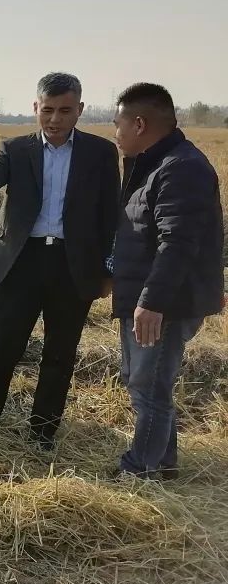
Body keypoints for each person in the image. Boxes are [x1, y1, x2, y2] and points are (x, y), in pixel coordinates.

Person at [0, 72, 120, 451]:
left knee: (60, 353)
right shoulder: (16, 148)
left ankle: (43, 430)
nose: (55, 119)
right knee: (2, 345)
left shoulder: (99, 153)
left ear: (80, 109)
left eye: (65, 110)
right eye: (48, 110)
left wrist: (109, 269)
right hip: (21, 261)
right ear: (35, 108)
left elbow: (111, 213)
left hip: (72, 264)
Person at [110, 83, 223, 479]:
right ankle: (163, 461)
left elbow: (177, 242)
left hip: (166, 302)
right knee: (142, 380)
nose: (116, 132)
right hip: (148, 294)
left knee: (149, 386)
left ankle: (142, 468)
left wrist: (152, 302)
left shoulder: (181, 168)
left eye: (119, 123)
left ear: (139, 124)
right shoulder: (154, 164)